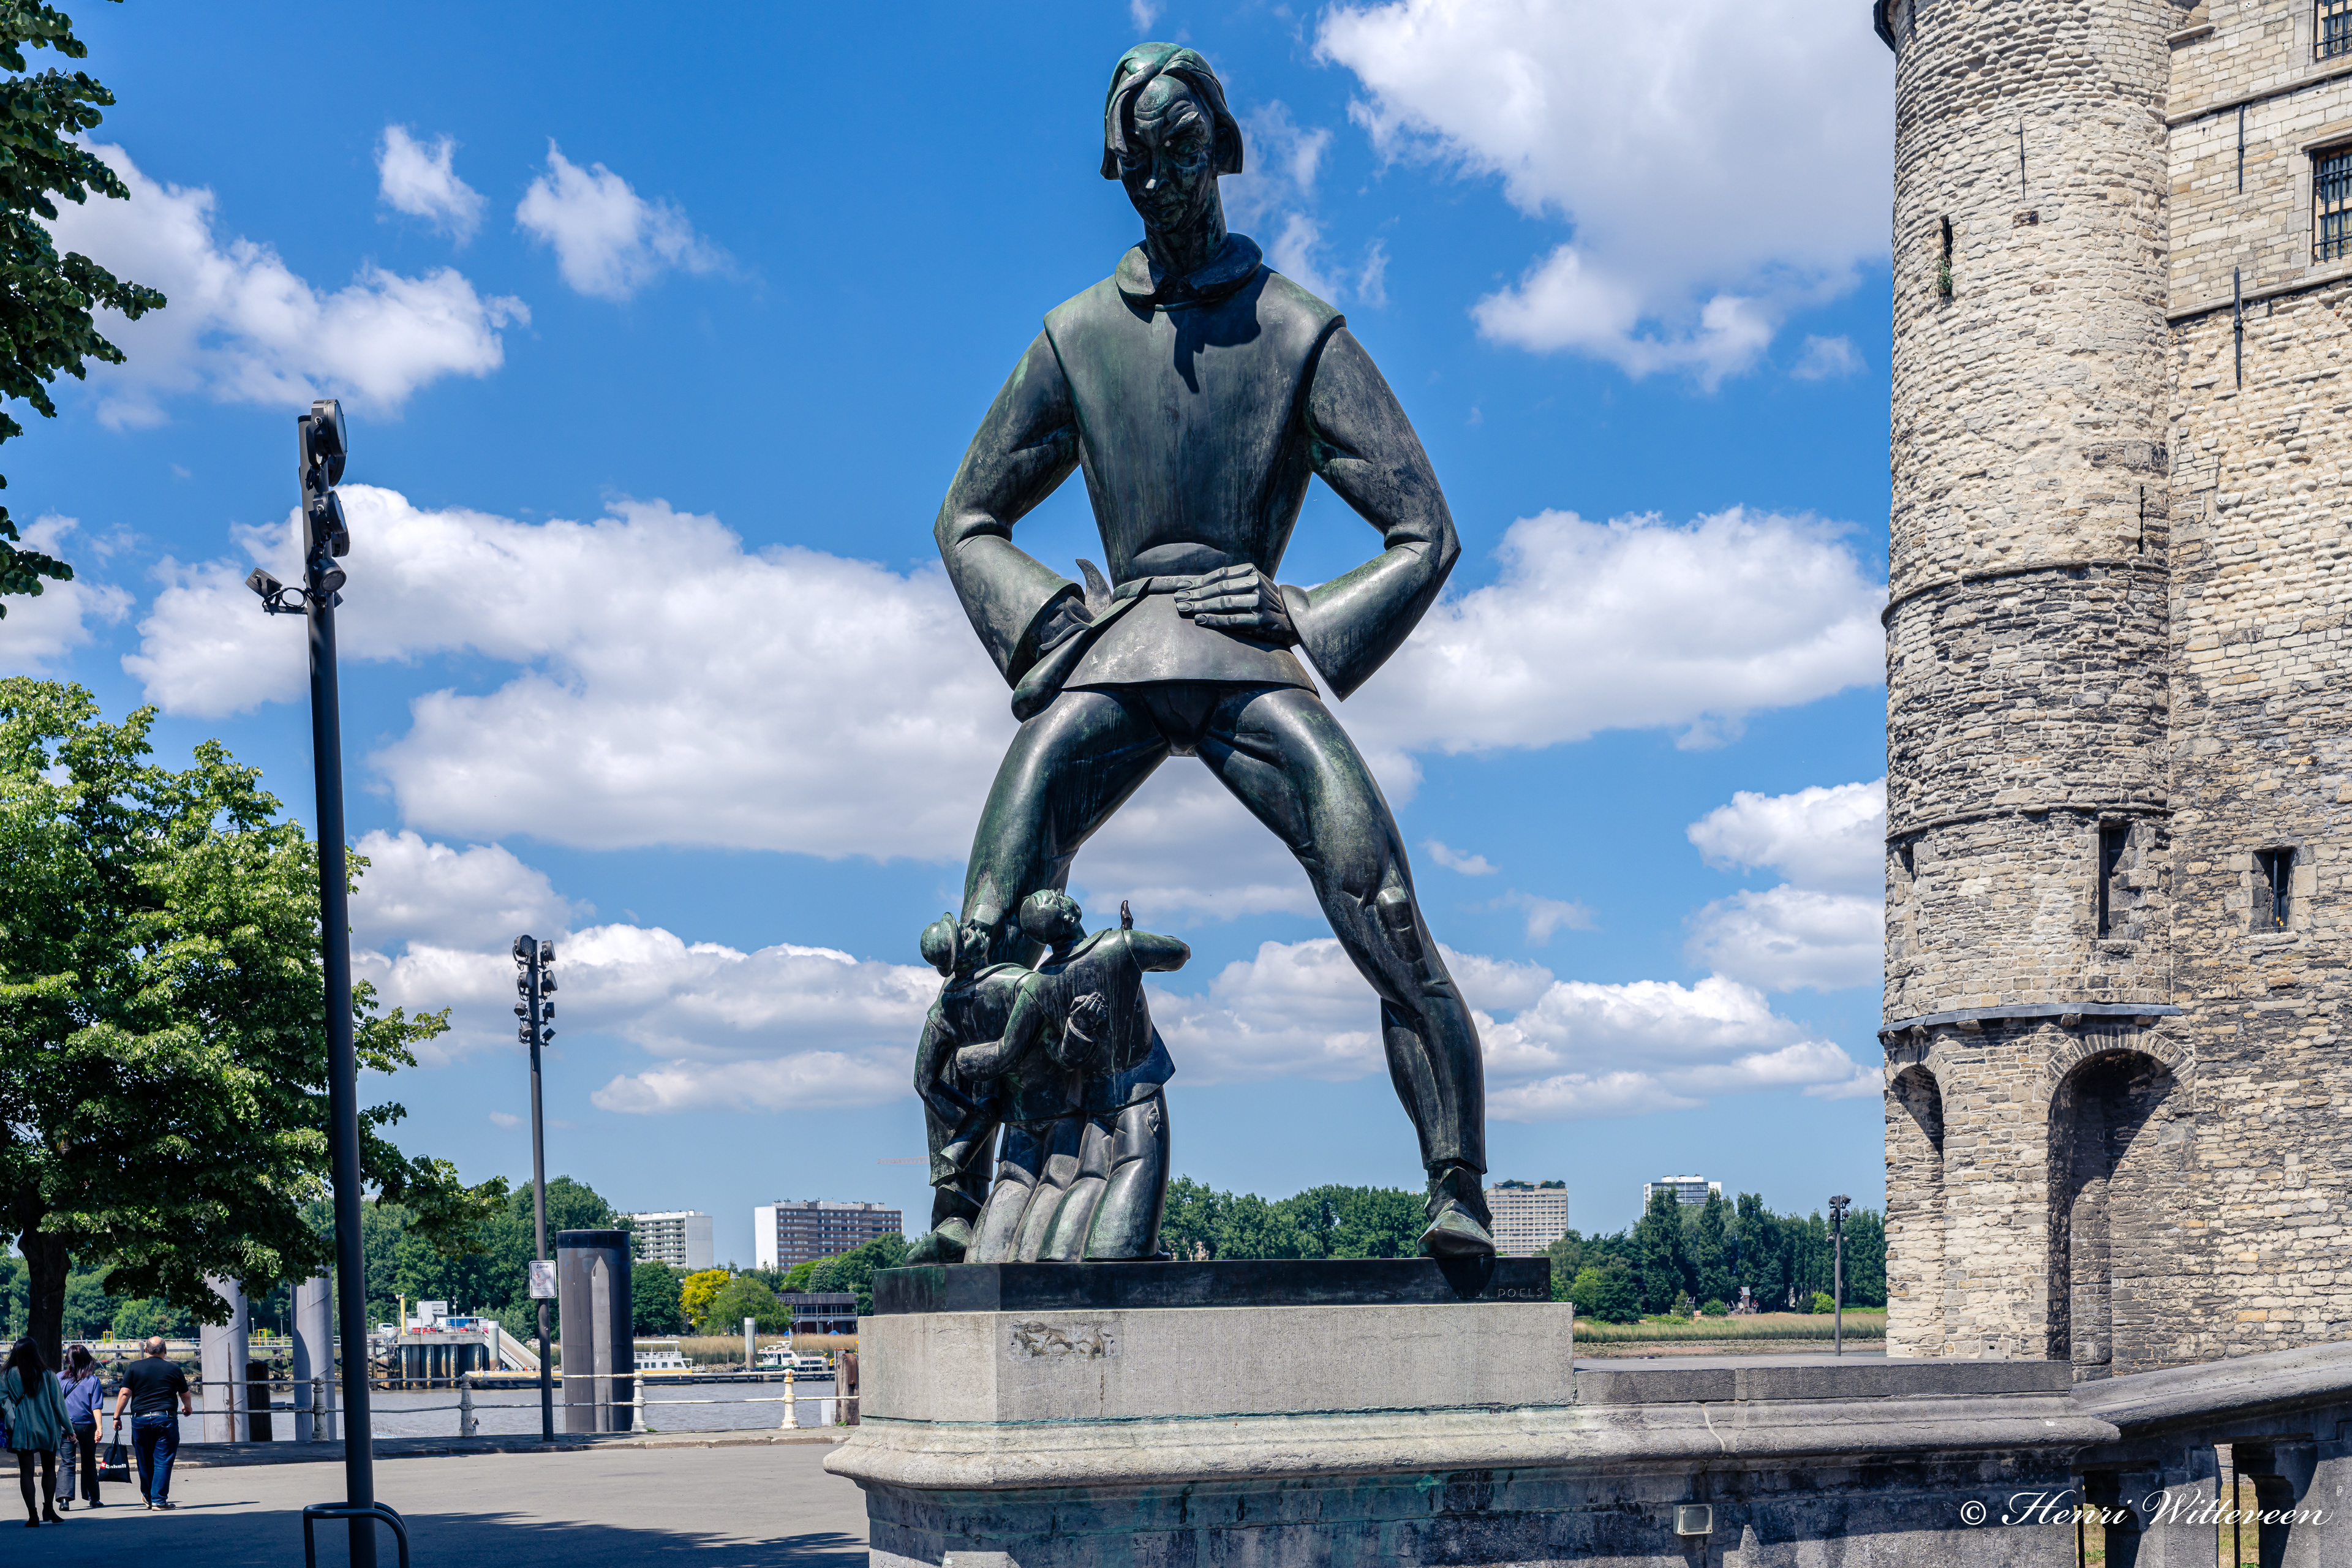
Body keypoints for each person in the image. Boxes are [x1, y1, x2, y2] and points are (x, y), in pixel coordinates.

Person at [930, 42, 1492, 1257]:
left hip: (1244, 656)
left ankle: (1458, 1184)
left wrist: (1298, 612)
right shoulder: (1079, 336)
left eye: (1184, 147)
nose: (1163, 178)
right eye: (1140, 160)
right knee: (989, 906)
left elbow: (1424, 531)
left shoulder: (1293, 328)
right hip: (1120, 650)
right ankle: (958, 1197)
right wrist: (1048, 622)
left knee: (1380, 900)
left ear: (1222, 150)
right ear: (1119, 172)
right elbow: (965, 517)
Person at [111, 1336, 190, 1510]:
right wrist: (187, 1407)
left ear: (146, 1350)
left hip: (141, 1420)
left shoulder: (134, 1368)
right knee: (163, 1460)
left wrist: (117, 1417)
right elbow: (184, 1393)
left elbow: (125, 1393)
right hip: (165, 1419)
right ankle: (159, 1500)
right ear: (165, 1350)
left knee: (144, 1461)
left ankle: (148, 1497)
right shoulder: (174, 1369)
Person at [2, 1340, 70, 1526]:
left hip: (22, 1428)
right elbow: (59, 1405)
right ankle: (49, 1509)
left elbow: (2, 1399)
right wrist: (70, 1429)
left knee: (26, 1471)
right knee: (49, 1469)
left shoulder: (8, 1375)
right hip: (47, 1427)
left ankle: (33, 1515)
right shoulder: (48, 1375)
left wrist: (11, 1415)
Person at [56, 1346, 102, 1509]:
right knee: (89, 1462)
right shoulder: (93, 1380)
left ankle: (64, 1499)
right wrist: (100, 1427)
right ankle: (93, 1498)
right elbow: (96, 1406)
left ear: (69, 1360)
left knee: (67, 1462)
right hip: (87, 1426)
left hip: (66, 1426)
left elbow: (55, 1403)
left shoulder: (59, 1378)